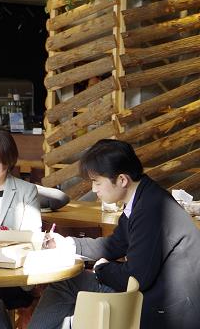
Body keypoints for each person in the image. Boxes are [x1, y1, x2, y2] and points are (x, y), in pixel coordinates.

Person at [29, 139, 200, 329]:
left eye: (97, 182)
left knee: (68, 286)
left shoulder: (150, 209)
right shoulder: (144, 196)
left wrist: (102, 269)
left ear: (122, 180)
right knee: (68, 285)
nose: (94, 189)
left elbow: (136, 277)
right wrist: (67, 244)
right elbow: (115, 244)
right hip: (154, 294)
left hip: (167, 310)